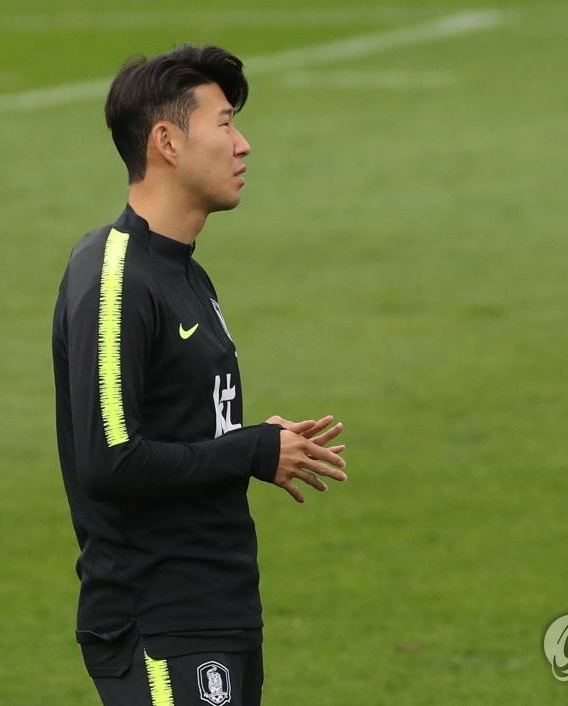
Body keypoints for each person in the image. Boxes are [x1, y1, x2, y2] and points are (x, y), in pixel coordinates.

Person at [52, 44, 348, 706]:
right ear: (167, 142)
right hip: (157, 619)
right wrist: (250, 451)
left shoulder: (186, 274)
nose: (242, 145)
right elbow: (109, 461)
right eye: (224, 124)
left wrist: (252, 439)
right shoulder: (114, 276)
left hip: (218, 608)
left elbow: (182, 434)